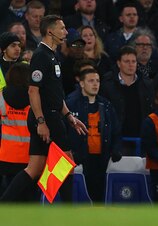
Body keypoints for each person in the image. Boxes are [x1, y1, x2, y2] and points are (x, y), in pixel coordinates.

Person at [1, 15, 88, 202]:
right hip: (47, 117)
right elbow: (34, 91)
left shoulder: (51, 55)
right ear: (50, 31)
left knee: (34, 168)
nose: (66, 32)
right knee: (66, 163)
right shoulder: (41, 55)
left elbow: (54, 93)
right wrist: (41, 121)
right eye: (62, 28)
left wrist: (69, 116)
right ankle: (67, 212)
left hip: (52, 114)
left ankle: (5, 204)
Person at [66, 68, 121, 202]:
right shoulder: (70, 104)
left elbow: (115, 130)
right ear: (82, 84)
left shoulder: (106, 105)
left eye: (97, 81)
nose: (95, 84)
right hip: (79, 157)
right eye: (91, 81)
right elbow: (64, 130)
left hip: (101, 157)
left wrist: (115, 150)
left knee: (99, 194)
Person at [100, 46, 154, 155]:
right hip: (116, 139)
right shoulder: (107, 85)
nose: (131, 64)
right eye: (127, 61)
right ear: (119, 63)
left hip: (141, 137)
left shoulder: (147, 84)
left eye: (133, 61)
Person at [0, 63, 31, 198]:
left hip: (6, 155)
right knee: (27, 198)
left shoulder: (1, 97)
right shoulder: (34, 97)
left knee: (8, 196)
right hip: (29, 156)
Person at [61, 28, 86, 96]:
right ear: (68, 47)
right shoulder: (64, 67)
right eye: (74, 45)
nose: (78, 48)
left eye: (81, 45)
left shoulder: (89, 64)